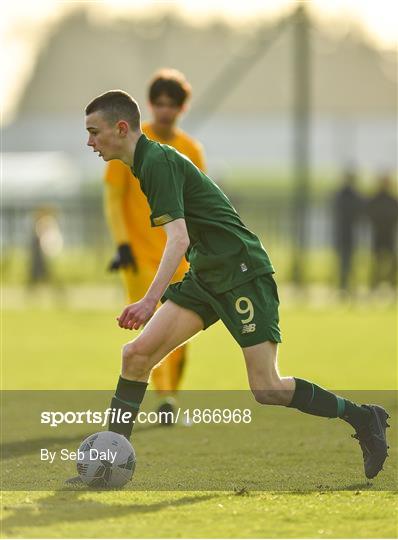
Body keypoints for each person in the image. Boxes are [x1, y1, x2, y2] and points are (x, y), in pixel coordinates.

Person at [68, 90, 390, 485]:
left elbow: (178, 240)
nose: (89, 142)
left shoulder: (156, 162)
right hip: (208, 274)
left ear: (120, 128)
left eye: (93, 132)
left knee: (267, 388)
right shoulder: (145, 163)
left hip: (241, 272)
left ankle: (362, 416)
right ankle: (106, 466)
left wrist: (149, 301)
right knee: (136, 355)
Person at [103, 69, 206, 418]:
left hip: (178, 255)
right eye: (159, 104)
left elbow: (198, 202)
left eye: (172, 105)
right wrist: (122, 245)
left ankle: (168, 396)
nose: (165, 111)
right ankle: (161, 395)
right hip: (138, 256)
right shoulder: (132, 141)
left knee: (178, 330)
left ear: (182, 107)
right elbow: (114, 198)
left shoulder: (191, 150)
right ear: (150, 104)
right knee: (151, 325)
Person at [332, 169, 364, 295]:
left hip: (343, 233)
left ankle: (345, 285)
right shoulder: (354, 196)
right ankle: (347, 286)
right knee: (347, 261)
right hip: (348, 233)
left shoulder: (339, 195)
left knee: (344, 261)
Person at [366, 173, 398, 291]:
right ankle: (375, 285)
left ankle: (391, 284)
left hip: (388, 235)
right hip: (379, 235)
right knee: (376, 263)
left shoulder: (392, 199)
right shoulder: (375, 199)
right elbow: (369, 214)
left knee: (392, 262)